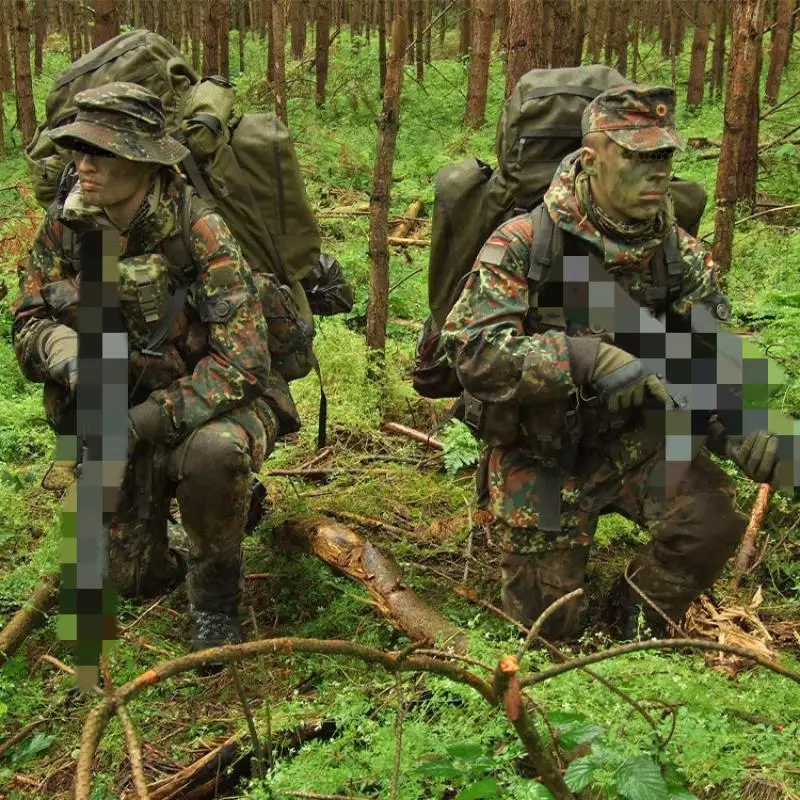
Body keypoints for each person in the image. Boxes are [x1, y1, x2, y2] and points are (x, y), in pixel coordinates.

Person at [440, 85, 779, 640]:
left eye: (664, 156)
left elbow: (711, 357)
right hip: (541, 455)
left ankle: (631, 624)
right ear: (593, 159)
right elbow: (474, 354)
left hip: (633, 445)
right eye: (638, 156)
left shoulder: (681, 255)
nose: (657, 173)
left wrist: (742, 429)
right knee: (546, 630)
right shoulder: (527, 243)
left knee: (711, 520)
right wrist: (585, 357)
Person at [12, 82, 299, 661]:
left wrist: (147, 421)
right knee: (130, 579)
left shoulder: (200, 231)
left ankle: (215, 602)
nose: (83, 164)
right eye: (77, 149)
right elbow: (27, 318)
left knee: (212, 456)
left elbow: (242, 361)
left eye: (101, 152)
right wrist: (64, 350)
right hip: (119, 407)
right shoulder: (65, 227)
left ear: (143, 160)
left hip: (218, 400)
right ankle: (194, 517)